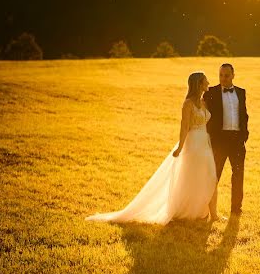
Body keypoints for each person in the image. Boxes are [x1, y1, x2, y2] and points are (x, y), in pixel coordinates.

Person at [86, 72, 217, 224]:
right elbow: (184, 127)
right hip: (193, 144)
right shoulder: (187, 104)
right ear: (199, 84)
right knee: (190, 177)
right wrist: (180, 148)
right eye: (205, 81)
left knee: (205, 177)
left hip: (204, 143)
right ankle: (183, 211)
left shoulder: (204, 102)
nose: (208, 82)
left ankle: (199, 211)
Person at [203, 63, 248, 218]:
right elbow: (205, 116)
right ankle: (206, 211)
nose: (223, 78)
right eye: (221, 75)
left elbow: (244, 115)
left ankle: (236, 209)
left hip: (237, 141)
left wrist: (244, 136)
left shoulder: (241, 92)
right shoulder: (211, 92)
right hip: (219, 142)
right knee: (213, 177)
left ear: (233, 75)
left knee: (238, 175)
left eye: (227, 75)